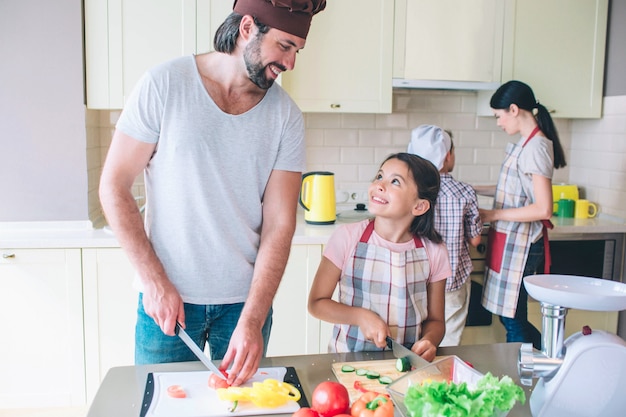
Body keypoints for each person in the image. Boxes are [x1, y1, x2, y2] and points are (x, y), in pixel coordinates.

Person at [98, 0, 326, 386]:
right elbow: (114, 186)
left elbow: (280, 224)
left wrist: (253, 318)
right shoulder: (165, 84)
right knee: (161, 407)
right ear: (248, 28)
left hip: (244, 306)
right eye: (285, 46)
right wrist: (154, 282)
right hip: (167, 302)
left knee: (241, 409)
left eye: (297, 51)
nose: (291, 64)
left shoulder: (286, 116)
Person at [308, 153, 449, 362]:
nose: (380, 185)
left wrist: (430, 340)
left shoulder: (434, 251)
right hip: (348, 361)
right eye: (379, 176)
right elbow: (316, 304)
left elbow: (437, 321)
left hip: (407, 363)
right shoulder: (347, 237)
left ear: (419, 206)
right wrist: (361, 317)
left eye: (394, 182)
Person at [474, 80, 566, 349]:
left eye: (498, 116)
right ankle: (548, 357)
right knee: (510, 317)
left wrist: (493, 215)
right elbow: (512, 190)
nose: (499, 123)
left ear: (513, 109)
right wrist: (472, 188)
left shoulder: (536, 147)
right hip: (512, 240)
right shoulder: (528, 144)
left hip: (524, 243)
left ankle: (528, 370)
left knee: (513, 319)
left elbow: (542, 208)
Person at [408, 125, 483, 347]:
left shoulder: (409, 191)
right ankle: (442, 377)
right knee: (447, 341)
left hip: (415, 282)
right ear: (447, 156)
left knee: (415, 339)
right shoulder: (465, 192)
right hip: (451, 283)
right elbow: (476, 239)